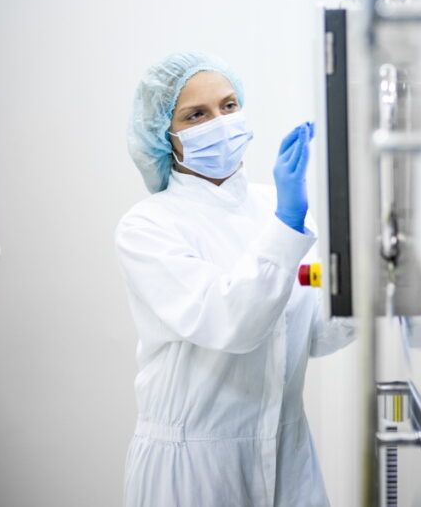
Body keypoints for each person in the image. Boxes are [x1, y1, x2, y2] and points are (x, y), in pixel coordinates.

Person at [115, 52, 353, 507]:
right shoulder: (148, 227)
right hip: (193, 469)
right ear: (165, 136)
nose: (219, 122)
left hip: (289, 456)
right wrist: (287, 225)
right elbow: (233, 322)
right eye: (196, 115)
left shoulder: (279, 207)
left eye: (228, 106)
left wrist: (366, 282)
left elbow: (315, 336)